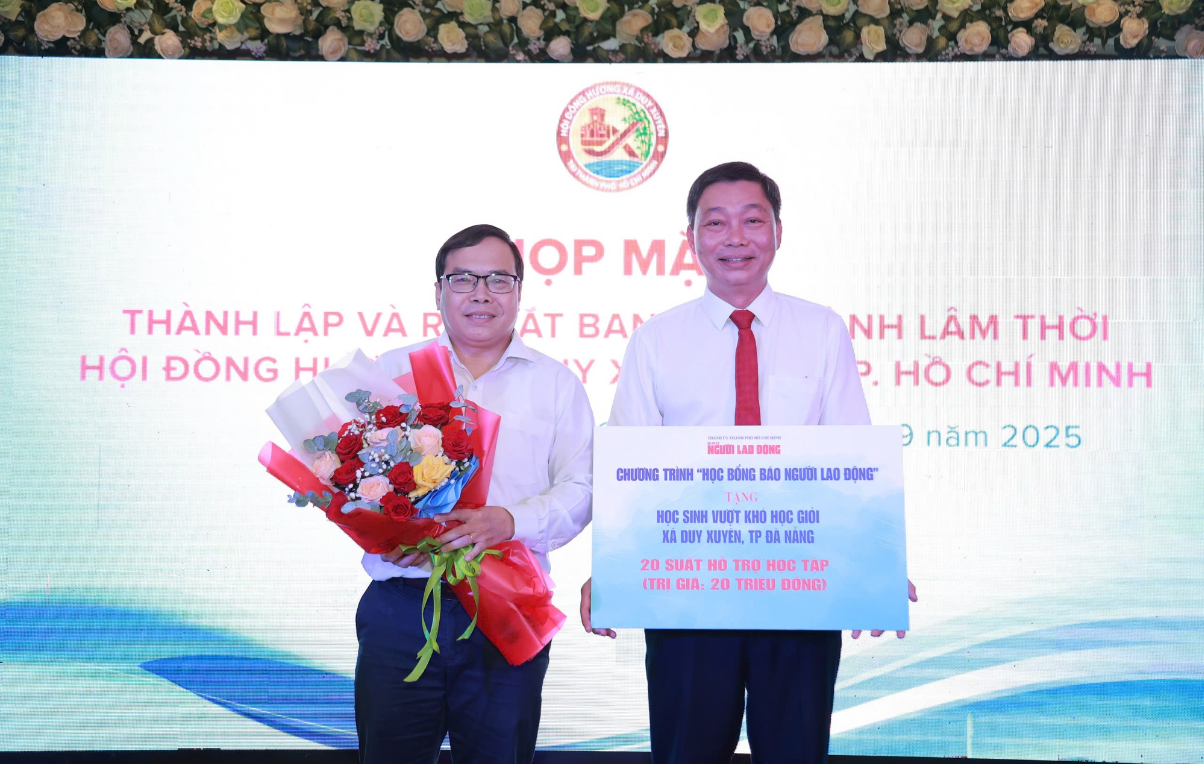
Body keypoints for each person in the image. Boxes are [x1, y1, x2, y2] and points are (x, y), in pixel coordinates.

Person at [579, 162, 916, 764]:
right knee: (685, 751)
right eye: (716, 223)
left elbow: (850, 454)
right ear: (691, 239)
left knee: (795, 751)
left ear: (778, 232)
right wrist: (611, 567)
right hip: (686, 589)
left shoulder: (822, 329)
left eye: (752, 221)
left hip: (801, 587)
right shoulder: (656, 340)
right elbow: (630, 469)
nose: (735, 238)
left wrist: (874, 562)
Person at [358, 224, 594, 764]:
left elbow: (582, 488)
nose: (481, 293)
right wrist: (386, 528)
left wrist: (509, 521)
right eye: (463, 279)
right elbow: (351, 479)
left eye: (498, 280)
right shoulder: (392, 373)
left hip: (508, 600)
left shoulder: (555, 384)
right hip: (402, 606)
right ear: (438, 291)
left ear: (519, 291)